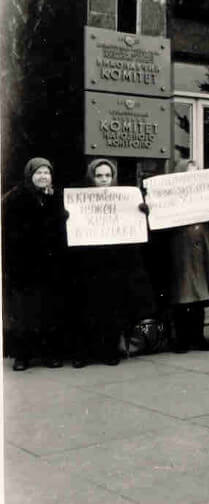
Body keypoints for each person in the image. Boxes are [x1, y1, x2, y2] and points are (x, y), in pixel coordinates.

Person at [70, 158, 155, 367]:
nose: (104, 180)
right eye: (99, 176)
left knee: (112, 310)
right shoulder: (80, 199)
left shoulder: (124, 199)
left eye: (108, 176)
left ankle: (109, 351)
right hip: (88, 264)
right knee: (87, 309)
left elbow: (137, 235)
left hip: (115, 264)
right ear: (92, 177)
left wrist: (142, 214)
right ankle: (85, 353)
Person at [2, 158, 69, 370]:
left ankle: (49, 355)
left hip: (50, 267)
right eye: (38, 173)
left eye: (46, 173)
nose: (43, 177)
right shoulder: (16, 198)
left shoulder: (55, 198)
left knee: (48, 312)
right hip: (25, 267)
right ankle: (22, 357)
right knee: (25, 313)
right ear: (30, 175)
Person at [162, 161, 209, 352]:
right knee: (182, 292)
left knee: (201, 292)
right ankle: (182, 338)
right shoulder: (170, 198)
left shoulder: (205, 196)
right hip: (181, 247)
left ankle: (198, 336)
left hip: (201, 246)